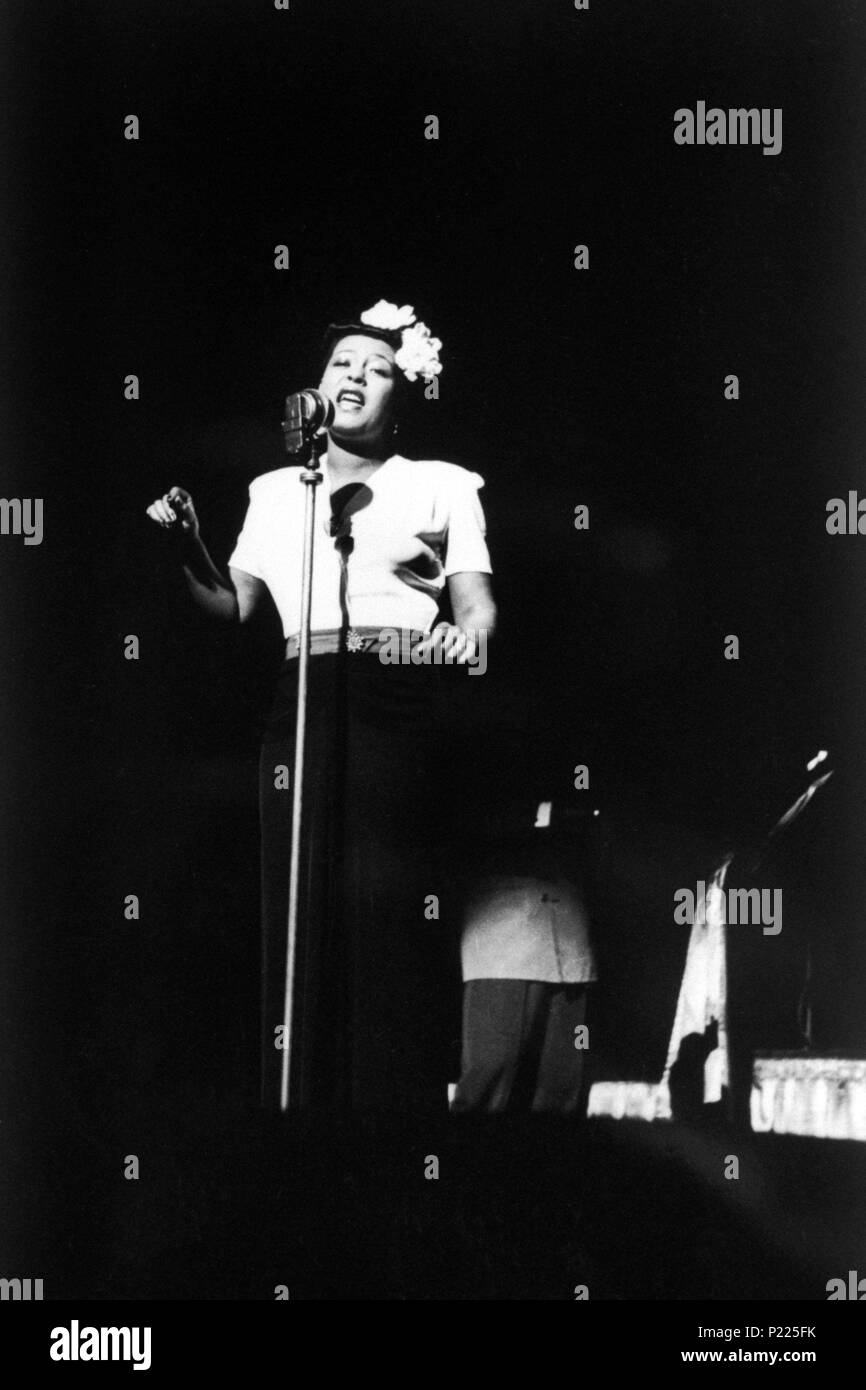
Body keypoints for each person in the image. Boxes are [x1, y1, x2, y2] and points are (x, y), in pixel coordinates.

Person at [146, 299, 496, 1115]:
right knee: (297, 904)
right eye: (343, 365)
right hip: (301, 697)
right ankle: (296, 1115)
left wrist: (454, 640)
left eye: (377, 371)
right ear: (313, 390)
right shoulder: (276, 491)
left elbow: (476, 615)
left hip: (396, 696)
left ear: (400, 401)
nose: (355, 379)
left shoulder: (440, 485)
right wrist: (186, 540)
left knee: (380, 910)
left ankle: (388, 1113)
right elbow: (233, 608)